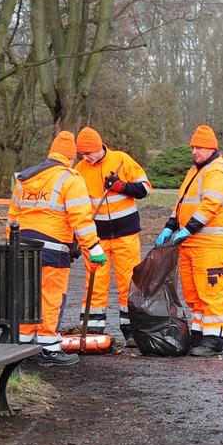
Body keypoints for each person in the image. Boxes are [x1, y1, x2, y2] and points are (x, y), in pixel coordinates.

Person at [7, 130, 106, 366]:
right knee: (51, 296)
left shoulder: (25, 178)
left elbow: (13, 216)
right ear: (70, 158)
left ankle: (23, 341)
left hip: (21, 245)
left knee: (27, 293)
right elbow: (80, 218)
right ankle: (49, 346)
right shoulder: (70, 178)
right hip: (53, 248)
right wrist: (93, 247)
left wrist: (12, 244)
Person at [155, 124, 223, 357]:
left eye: (199, 147)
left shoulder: (218, 172)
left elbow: (210, 205)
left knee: (210, 292)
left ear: (211, 148)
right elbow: (181, 203)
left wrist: (187, 229)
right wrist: (170, 226)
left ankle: (214, 339)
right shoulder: (197, 170)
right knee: (193, 293)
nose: (195, 151)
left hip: (210, 244)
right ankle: (199, 334)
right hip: (191, 242)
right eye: (193, 147)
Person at [75, 126, 152, 345]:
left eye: (88, 153)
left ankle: (131, 331)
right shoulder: (79, 170)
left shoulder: (122, 160)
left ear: (99, 147)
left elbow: (145, 189)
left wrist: (122, 186)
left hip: (126, 234)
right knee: (95, 282)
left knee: (129, 282)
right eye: (82, 154)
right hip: (96, 238)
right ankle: (92, 331)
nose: (86, 157)